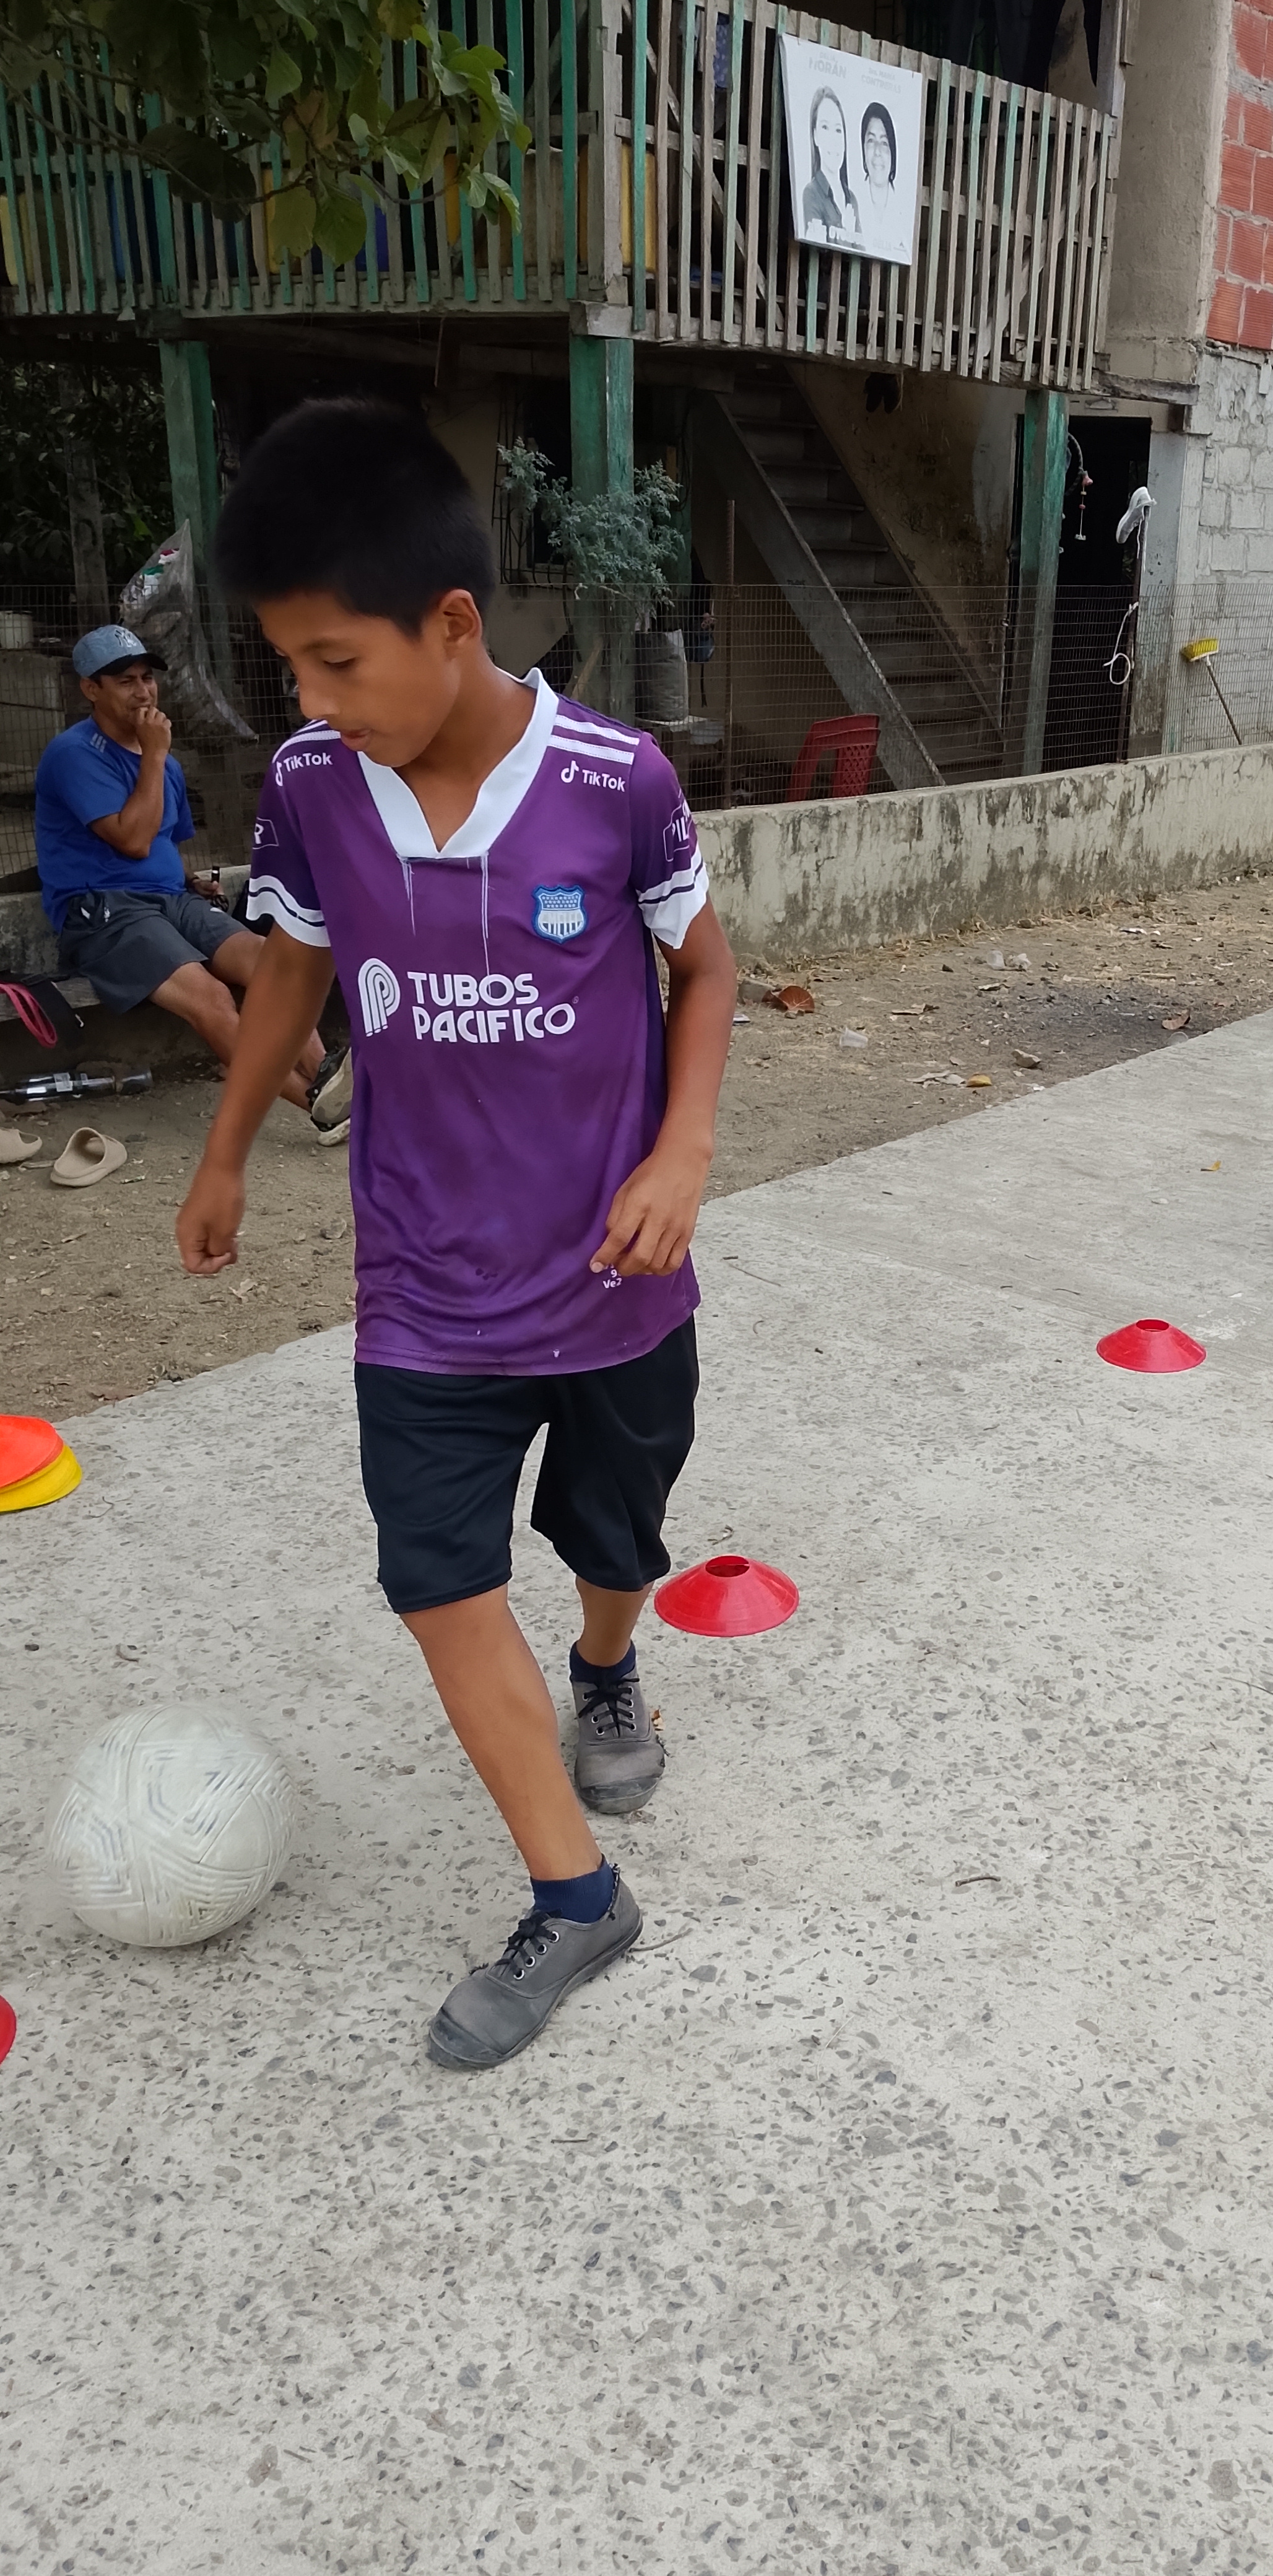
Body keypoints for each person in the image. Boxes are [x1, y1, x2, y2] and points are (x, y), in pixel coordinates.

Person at [176, 399, 739, 2067]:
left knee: (615, 1539)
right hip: (424, 1289)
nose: (310, 700)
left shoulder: (616, 783)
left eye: (334, 662)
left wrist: (682, 1151)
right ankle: (577, 1897)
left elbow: (707, 967)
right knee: (436, 1578)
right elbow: (291, 969)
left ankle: (607, 1663)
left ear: (449, 624)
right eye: (290, 665)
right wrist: (224, 1154)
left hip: (615, 1281)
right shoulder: (312, 789)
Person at [33, 625, 345, 1138]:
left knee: (272, 963)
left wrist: (188, 879)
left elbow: (162, 842)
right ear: (91, 689)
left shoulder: (167, 764)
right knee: (211, 998)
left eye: (147, 678)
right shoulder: (75, 754)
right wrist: (154, 755)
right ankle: (321, 1108)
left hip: (170, 900)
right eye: (125, 682)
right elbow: (133, 841)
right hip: (104, 910)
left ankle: (331, 1081)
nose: (143, 692)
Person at [801, 89, 861, 243]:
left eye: (838, 130)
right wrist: (846, 234)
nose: (833, 140)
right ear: (815, 136)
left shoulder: (852, 199)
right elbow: (817, 250)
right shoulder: (811, 193)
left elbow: (862, 253)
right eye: (825, 128)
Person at [859, 102, 898, 237]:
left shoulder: (904, 211)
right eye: (871, 141)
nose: (877, 152)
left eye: (884, 143)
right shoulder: (850, 204)